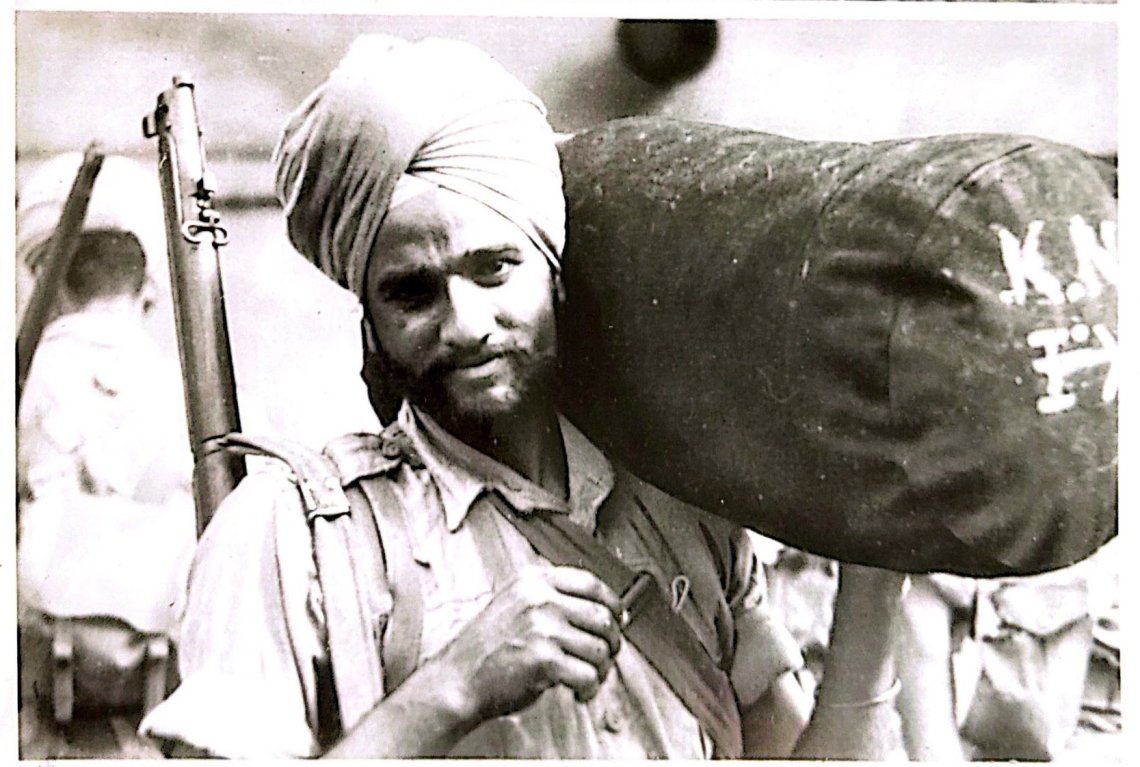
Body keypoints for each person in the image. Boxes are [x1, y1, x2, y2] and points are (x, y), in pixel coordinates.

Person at [140, 35, 907, 759]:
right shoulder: (293, 535)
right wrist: (450, 688)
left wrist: (875, 577)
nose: (466, 324)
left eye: (494, 268)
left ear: (555, 270)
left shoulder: (683, 506)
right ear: (369, 318)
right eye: (412, 293)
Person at [16, 155, 197, 719]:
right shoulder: (180, 381)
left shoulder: (31, 376)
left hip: (48, 641)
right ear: (149, 288)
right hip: (157, 641)